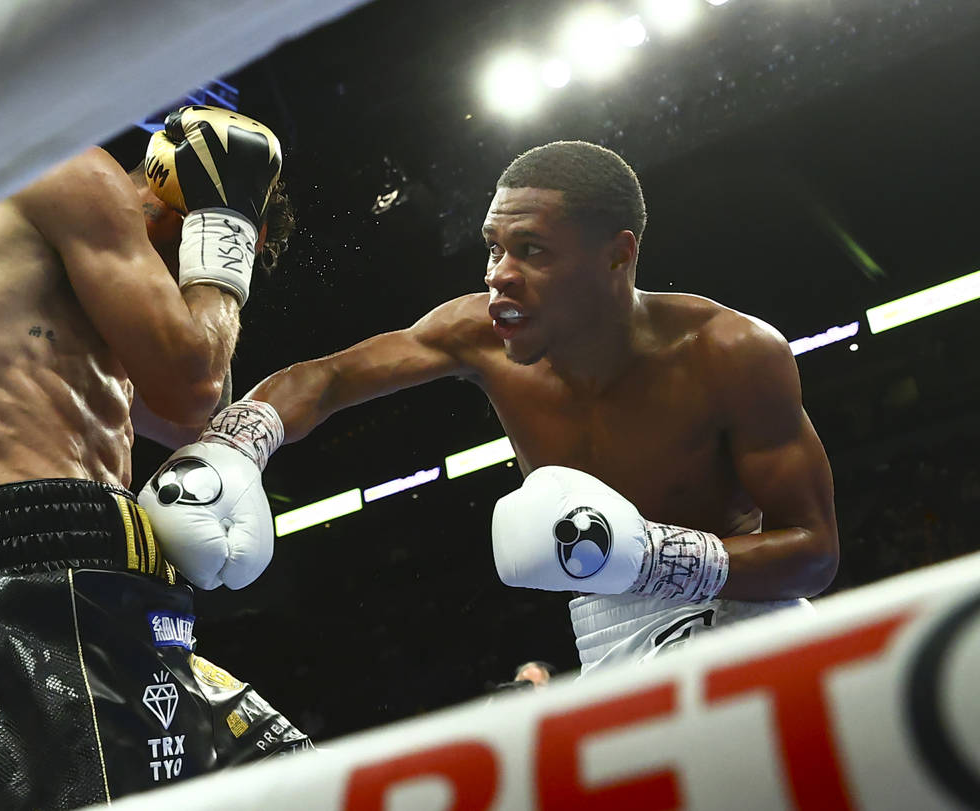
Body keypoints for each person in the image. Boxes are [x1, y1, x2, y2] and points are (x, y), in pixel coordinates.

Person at [139, 140, 839, 677]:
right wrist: (236, 445)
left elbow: (814, 553)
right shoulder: (478, 332)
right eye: (494, 247)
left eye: (531, 250)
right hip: (604, 634)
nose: (499, 272)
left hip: (747, 617)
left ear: (617, 256)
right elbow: (325, 380)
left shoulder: (730, 351)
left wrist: (655, 555)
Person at [0, 106, 308, 810]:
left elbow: (185, 413)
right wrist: (226, 245)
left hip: (109, 564)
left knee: (292, 774)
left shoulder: (78, 298)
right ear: (195, 209)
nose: (190, 281)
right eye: (203, 245)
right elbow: (193, 386)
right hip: (49, 566)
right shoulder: (74, 174)